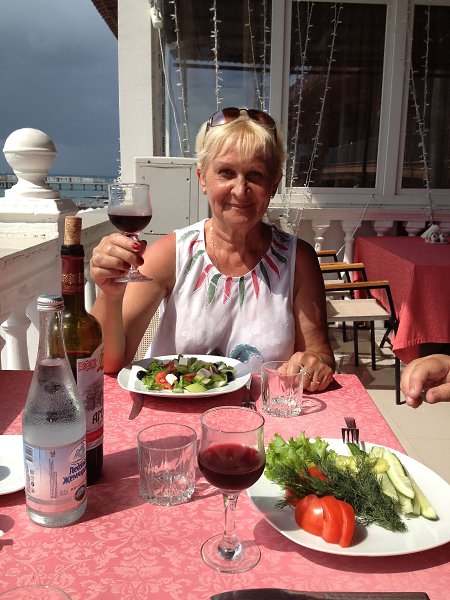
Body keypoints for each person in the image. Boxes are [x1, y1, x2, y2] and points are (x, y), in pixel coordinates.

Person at [90, 107, 335, 391]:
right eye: (226, 173)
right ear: (203, 178)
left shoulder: (298, 259)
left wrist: (314, 364)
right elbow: (108, 362)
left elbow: (320, 355)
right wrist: (109, 294)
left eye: (255, 175)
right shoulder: (170, 254)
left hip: (262, 414)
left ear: (274, 184)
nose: (240, 189)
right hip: (176, 413)